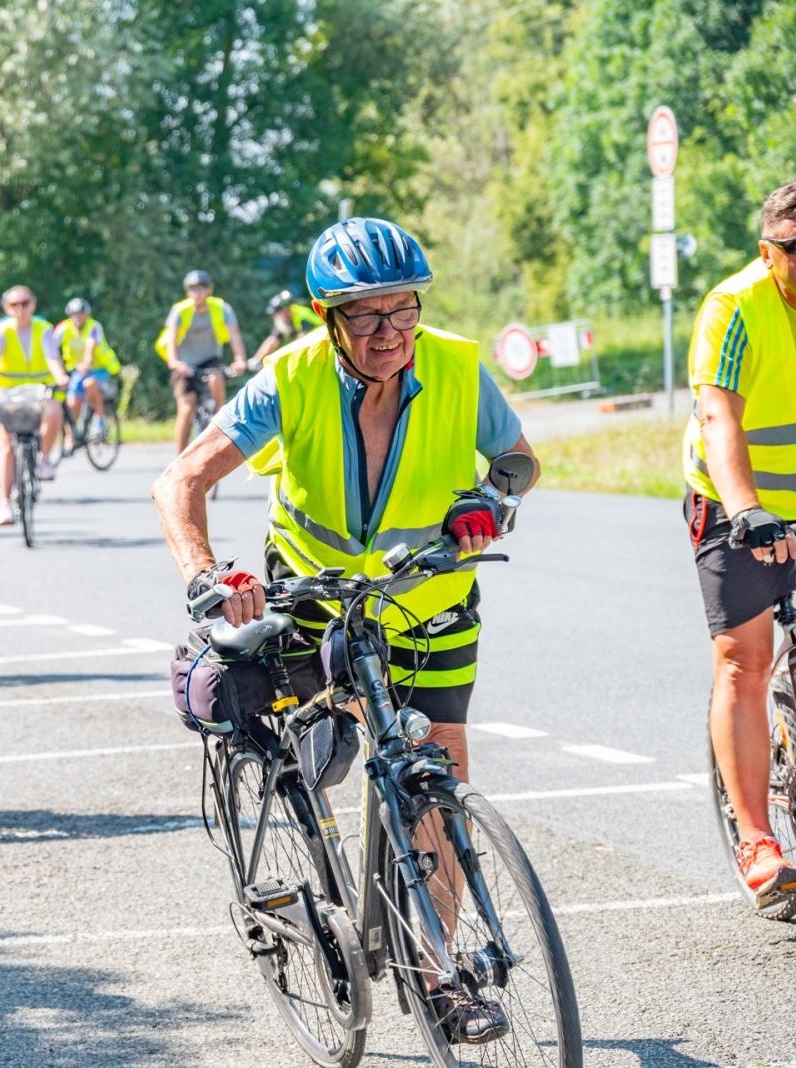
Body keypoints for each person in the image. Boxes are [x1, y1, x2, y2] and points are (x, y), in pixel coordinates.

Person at [152, 217, 536, 1043]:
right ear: (329, 318)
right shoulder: (287, 380)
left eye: (403, 311)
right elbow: (181, 480)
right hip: (313, 603)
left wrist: (490, 500)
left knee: (435, 772)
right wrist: (206, 577)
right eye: (367, 317)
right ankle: (295, 890)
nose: (390, 333)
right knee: (317, 756)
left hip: (426, 602)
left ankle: (436, 975)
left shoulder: (458, 366)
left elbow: (517, 461)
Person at [684, 177, 796, 907]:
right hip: (738, 504)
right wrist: (746, 508)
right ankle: (759, 842)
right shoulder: (734, 306)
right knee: (746, 658)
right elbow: (719, 417)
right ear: (770, 253)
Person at [0, 285, 70, 523]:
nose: (21, 309)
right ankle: (4, 504)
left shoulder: (43, 329)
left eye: (25, 303)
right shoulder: (2, 330)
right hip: (8, 392)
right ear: (7, 308)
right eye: (15, 305)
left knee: (55, 409)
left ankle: (43, 459)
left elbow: (51, 357)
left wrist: (61, 377)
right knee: (6, 443)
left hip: (38, 390)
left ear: (33, 305)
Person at [157, 270, 249, 451]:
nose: (197, 293)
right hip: (184, 363)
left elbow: (235, 336)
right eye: (193, 289)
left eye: (201, 288)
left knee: (216, 378)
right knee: (186, 407)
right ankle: (181, 457)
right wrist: (174, 362)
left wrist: (239, 360)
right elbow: (171, 339)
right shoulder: (180, 311)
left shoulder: (222, 308)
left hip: (209, 359)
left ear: (209, 290)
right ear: (187, 292)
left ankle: (217, 419)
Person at [53, 298, 122, 444]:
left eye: (81, 314)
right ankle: (71, 438)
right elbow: (50, 347)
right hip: (77, 371)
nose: (78, 317)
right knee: (72, 403)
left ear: (87, 314)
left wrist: (86, 363)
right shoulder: (64, 328)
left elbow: (91, 347)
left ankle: (100, 420)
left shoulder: (94, 326)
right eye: (74, 314)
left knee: (89, 384)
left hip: (99, 369)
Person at [253, 289, 325, 366]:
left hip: (323, 347)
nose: (274, 316)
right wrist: (256, 360)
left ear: (286, 310)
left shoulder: (302, 314)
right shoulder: (283, 321)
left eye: (277, 312)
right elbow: (273, 340)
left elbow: (303, 338)